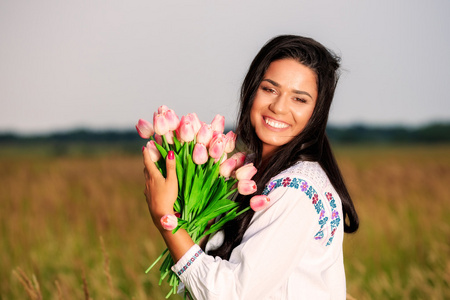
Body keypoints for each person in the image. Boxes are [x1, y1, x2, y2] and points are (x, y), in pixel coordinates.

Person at [143, 35, 359, 299]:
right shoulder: (251, 171)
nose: (279, 107)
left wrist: (167, 219)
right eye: (269, 89)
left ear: (317, 112)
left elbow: (232, 294)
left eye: (299, 99)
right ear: (251, 89)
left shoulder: (297, 190)